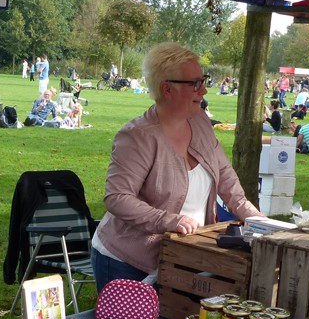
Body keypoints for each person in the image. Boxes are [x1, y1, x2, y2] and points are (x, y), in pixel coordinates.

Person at [90, 42, 262, 291]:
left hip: (183, 256)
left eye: (203, 80)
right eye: (194, 83)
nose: (203, 90)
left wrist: (251, 215)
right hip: (127, 261)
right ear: (167, 89)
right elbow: (117, 197)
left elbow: (224, 174)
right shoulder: (137, 136)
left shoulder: (201, 122)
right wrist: (169, 220)